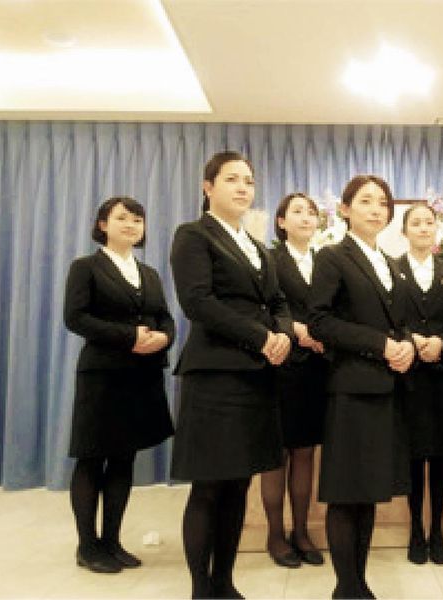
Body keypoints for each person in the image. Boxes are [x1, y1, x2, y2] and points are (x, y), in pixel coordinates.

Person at [169, 151, 293, 598]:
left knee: (239, 484)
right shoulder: (193, 235)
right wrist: (260, 338)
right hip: (215, 376)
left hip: (256, 378)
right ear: (208, 187)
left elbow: (278, 303)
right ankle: (201, 588)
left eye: (249, 181)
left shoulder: (258, 248)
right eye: (232, 179)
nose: (243, 187)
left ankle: (224, 581)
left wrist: (282, 335)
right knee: (209, 485)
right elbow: (198, 302)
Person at [308, 174, 415, 599]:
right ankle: (346, 586)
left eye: (383, 202)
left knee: (368, 491)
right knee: (345, 492)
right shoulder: (333, 257)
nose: (376, 209)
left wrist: (405, 345)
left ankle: (359, 583)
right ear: (345, 209)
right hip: (351, 389)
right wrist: (381, 345)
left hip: (386, 389)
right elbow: (319, 321)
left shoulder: (391, 264)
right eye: (366, 201)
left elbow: (398, 323)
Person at [64, 196, 175, 574]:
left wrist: (164, 338)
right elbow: (75, 317)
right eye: (122, 218)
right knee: (92, 457)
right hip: (102, 376)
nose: (131, 225)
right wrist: (129, 337)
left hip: (141, 376)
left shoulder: (150, 273)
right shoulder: (86, 267)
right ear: (103, 225)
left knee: (124, 458)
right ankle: (87, 545)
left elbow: (165, 317)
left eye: (138, 219)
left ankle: (112, 540)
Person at [394, 203, 443, 566]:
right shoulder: (391, 268)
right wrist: (412, 340)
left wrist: (441, 341)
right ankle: (415, 531)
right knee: (413, 454)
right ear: (404, 231)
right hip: (408, 374)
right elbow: (388, 316)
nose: (423, 228)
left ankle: (437, 530)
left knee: (439, 456)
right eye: (416, 223)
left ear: (437, 230)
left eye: (429, 222)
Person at [260, 193, 327, 568]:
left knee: (306, 452)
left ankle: (301, 531)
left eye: (311, 212)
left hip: (317, 369)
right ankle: (275, 534)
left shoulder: (325, 261)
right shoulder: (269, 260)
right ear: (281, 221)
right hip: (280, 364)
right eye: (297, 211)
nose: (306, 217)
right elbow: (263, 309)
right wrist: (297, 330)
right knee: (278, 453)